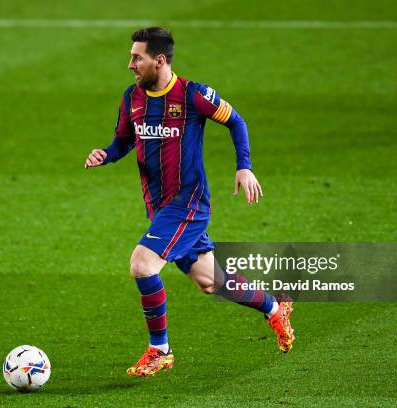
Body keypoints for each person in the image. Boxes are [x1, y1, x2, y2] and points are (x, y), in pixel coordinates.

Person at [85, 27, 295, 377]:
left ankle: (160, 350)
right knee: (210, 280)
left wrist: (244, 167)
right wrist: (105, 155)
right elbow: (123, 141)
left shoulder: (193, 95)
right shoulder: (131, 99)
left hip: (188, 204)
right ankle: (275, 308)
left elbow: (236, 121)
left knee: (142, 263)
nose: (130, 64)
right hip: (159, 208)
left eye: (137, 58)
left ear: (160, 61)